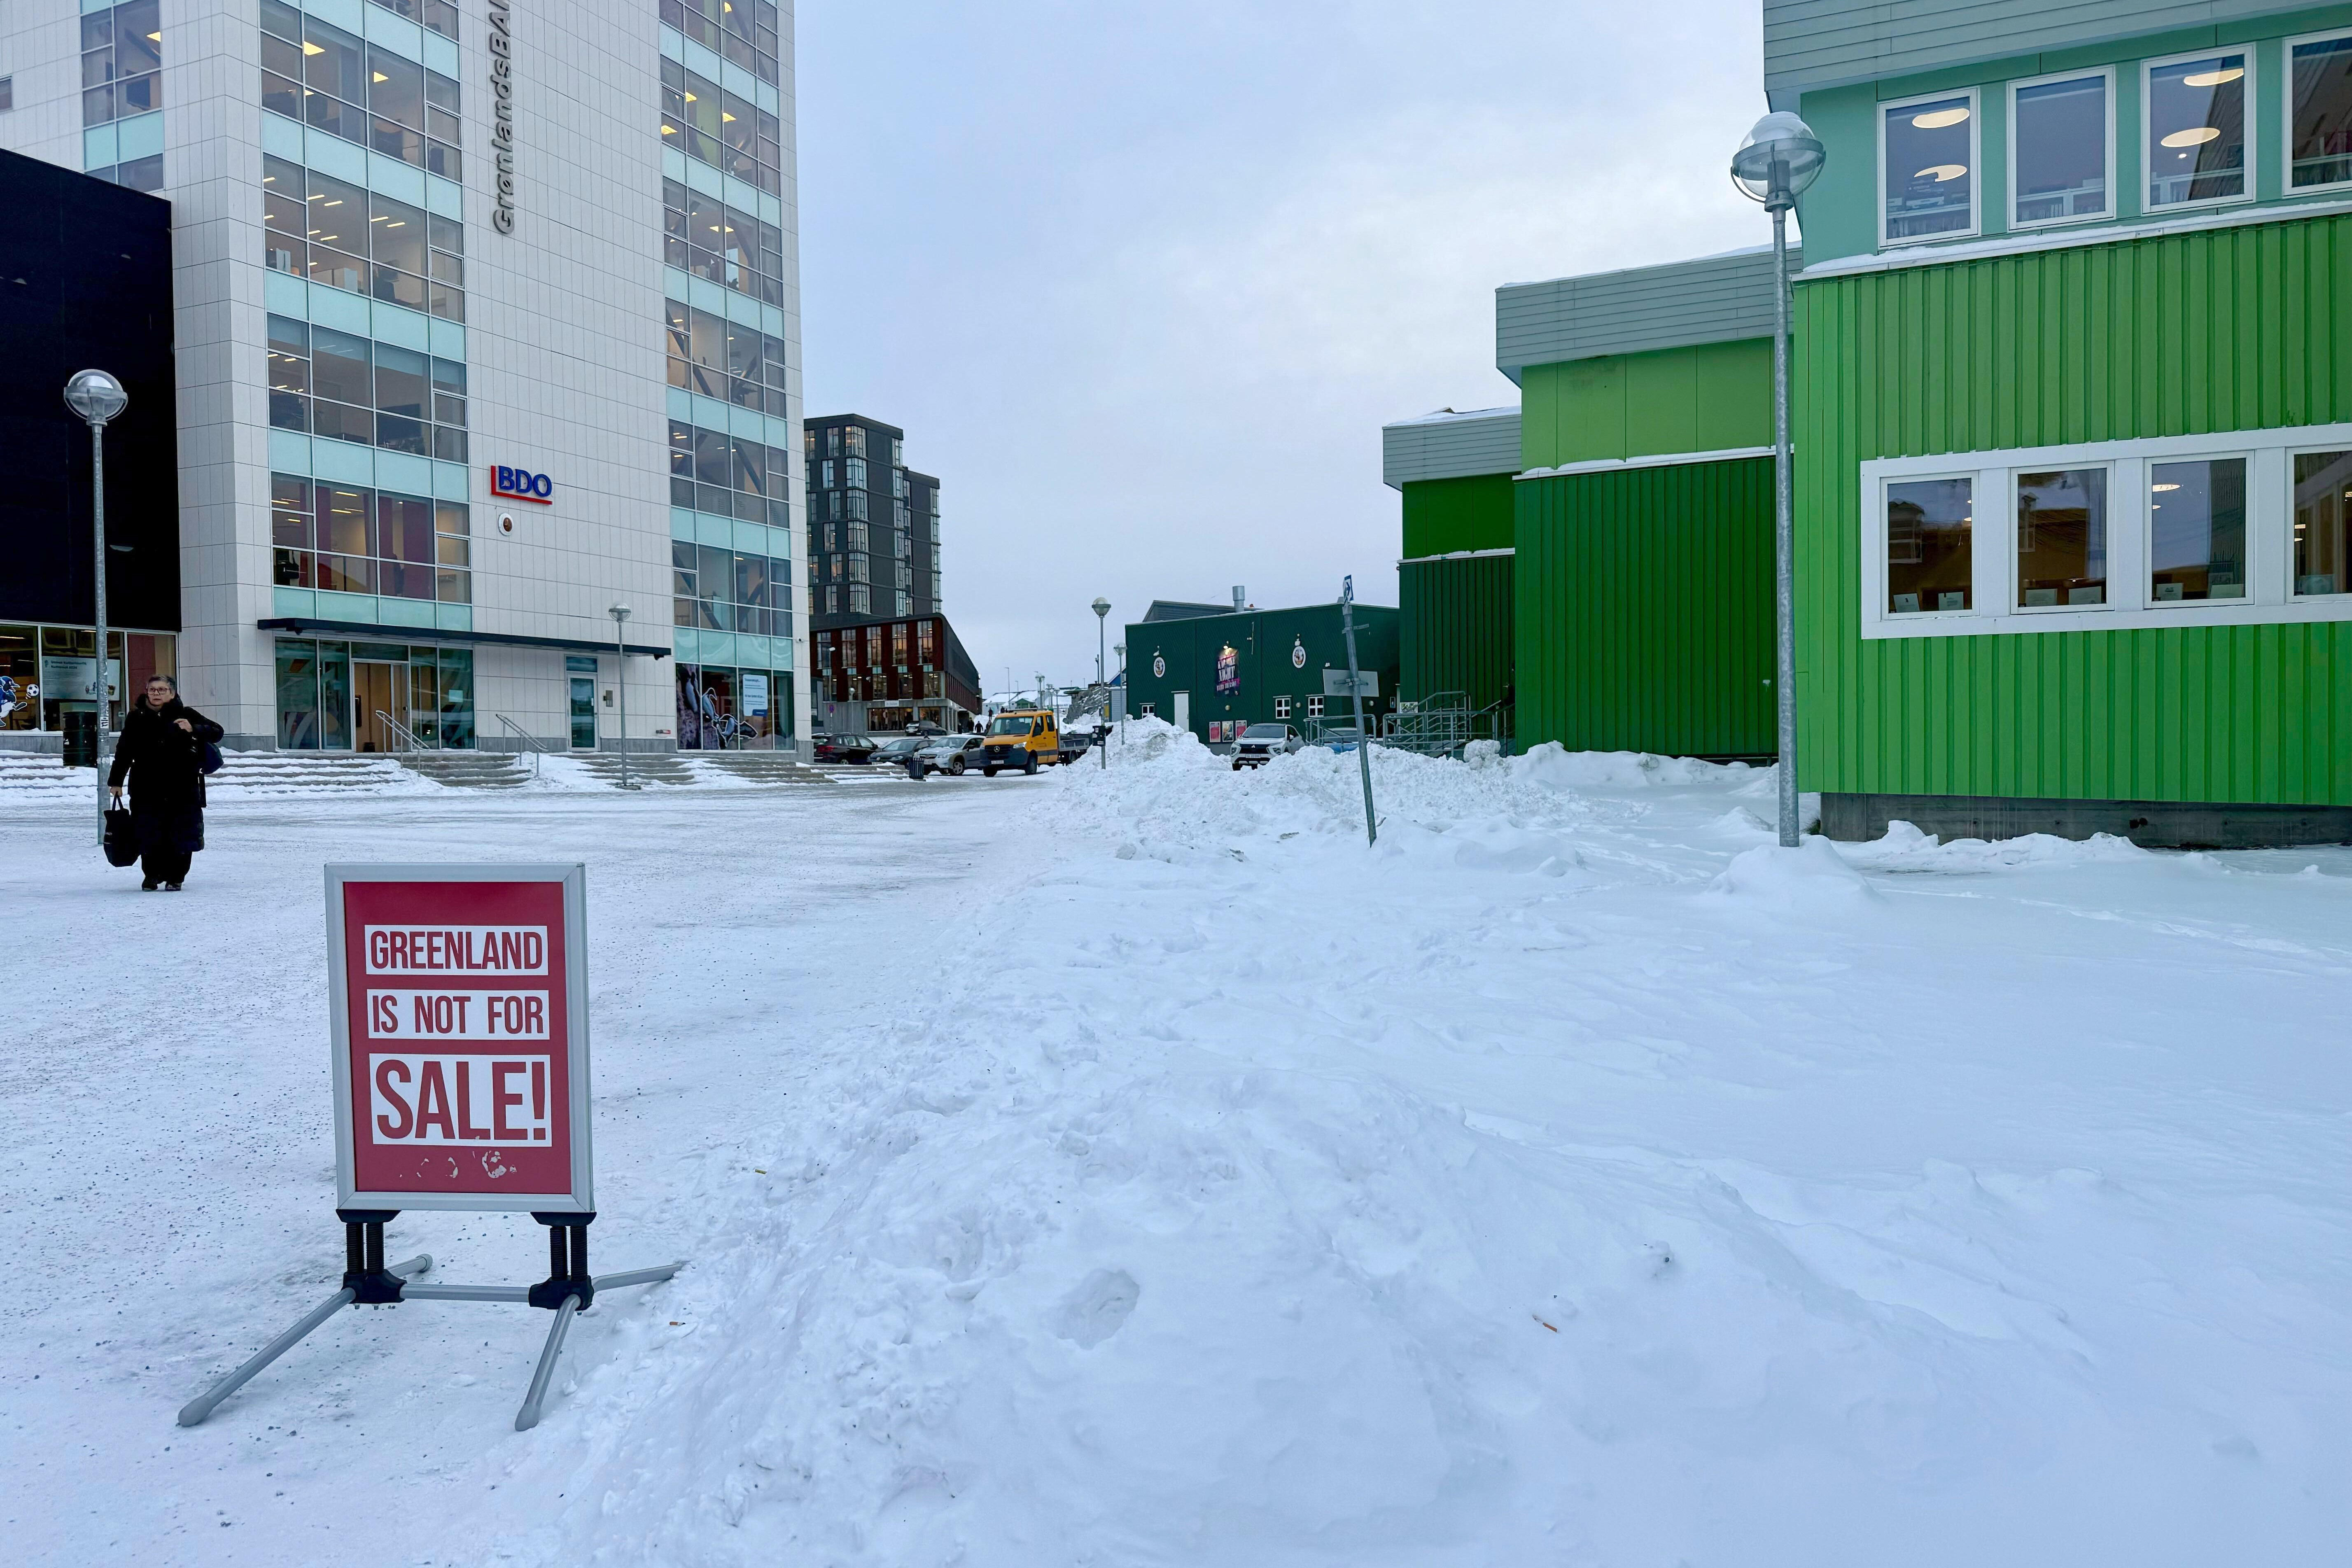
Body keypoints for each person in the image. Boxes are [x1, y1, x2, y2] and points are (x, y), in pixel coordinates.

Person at [107, 674, 223, 891]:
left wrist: (194, 728)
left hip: (182, 786)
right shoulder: (136, 717)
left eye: (162, 690)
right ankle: (151, 876)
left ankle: (176, 876)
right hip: (145, 785)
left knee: (181, 832)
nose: (157, 694)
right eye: (152, 690)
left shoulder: (187, 714)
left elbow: (217, 732)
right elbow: (124, 751)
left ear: (172, 693)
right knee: (147, 831)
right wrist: (116, 782)